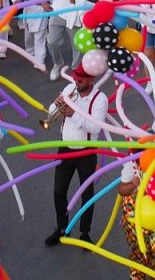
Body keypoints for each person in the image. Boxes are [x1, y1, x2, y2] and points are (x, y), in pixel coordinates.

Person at [45, 64, 108, 246]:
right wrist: (54, 106)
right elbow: (52, 114)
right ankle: (62, 228)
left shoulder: (100, 99)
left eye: (80, 80)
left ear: (91, 79)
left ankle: (85, 233)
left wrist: (73, 114)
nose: (76, 83)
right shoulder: (69, 88)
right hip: (65, 149)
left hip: (86, 153)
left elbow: (96, 127)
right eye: (75, 79)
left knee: (87, 195)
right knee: (59, 191)